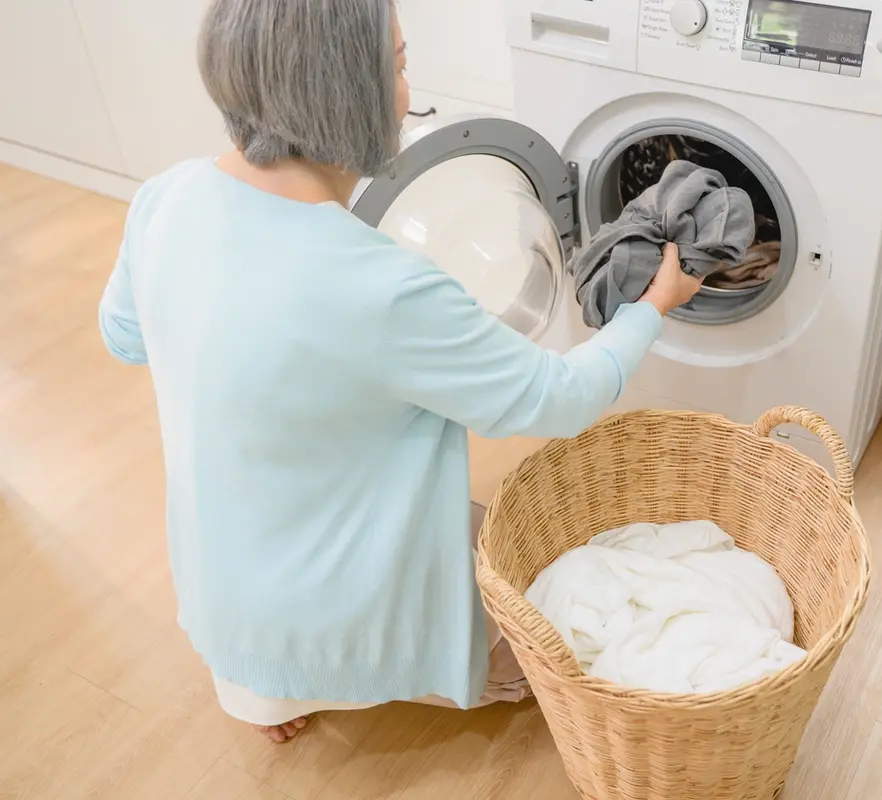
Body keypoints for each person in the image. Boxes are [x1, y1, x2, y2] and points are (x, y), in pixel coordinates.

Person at [97, 0, 702, 744]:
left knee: (456, 520)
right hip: (331, 617)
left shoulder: (166, 196)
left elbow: (123, 336)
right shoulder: (378, 287)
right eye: (403, 64)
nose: (410, 89)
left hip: (219, 599)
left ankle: (266, 693)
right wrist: (653, 306)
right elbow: (561, 398)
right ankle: (354, 678)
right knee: (559, 638)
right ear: (348, 88)